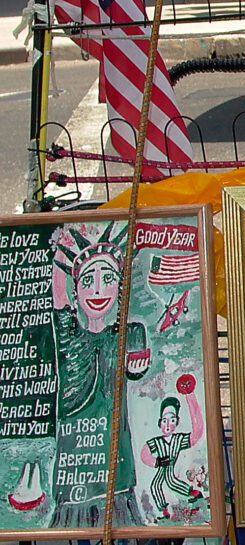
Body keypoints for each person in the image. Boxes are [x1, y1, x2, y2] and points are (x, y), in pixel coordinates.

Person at [50, 222, 151, 528]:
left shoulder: (128, 333)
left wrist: (136, 367)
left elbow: (138, 366)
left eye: (108, 279)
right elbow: (59, 302)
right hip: (75, 456)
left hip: (113, 453)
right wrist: (59, 252)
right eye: (88, 281)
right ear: (76, 289)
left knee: (121, 520)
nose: (97, 290)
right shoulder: (70, 336)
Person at [141, 389, 205, 521]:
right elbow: (144, 453)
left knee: (171, 482)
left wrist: (190, 397)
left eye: (172, 420)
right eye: (164, 420)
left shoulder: (178, 439)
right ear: (160, 423)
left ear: (177, 422)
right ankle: (164, 510)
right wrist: (156, 462)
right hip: (162, 467)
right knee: (155, 485)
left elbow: (196, 434)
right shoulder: (157, 442)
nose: (168, 424)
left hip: (170, 468)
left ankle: (194, 494)